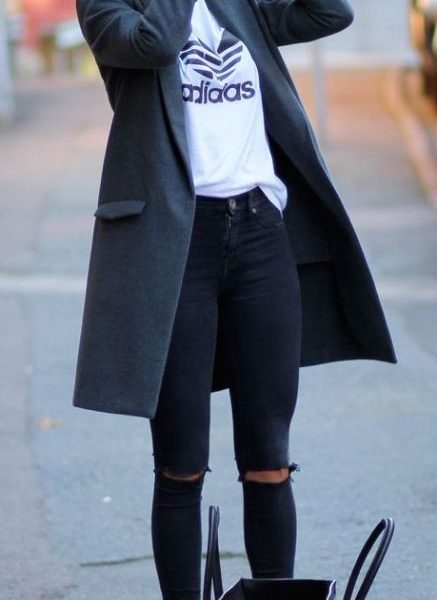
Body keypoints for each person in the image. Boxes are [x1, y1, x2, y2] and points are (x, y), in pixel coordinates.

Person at [74, 0, 396, 599]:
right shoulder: (109, 7)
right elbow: (154, 45)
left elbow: (329, 14)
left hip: (257, 234)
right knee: (180, 462)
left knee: (270, 456)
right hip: (174, 247)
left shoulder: (238, 5)